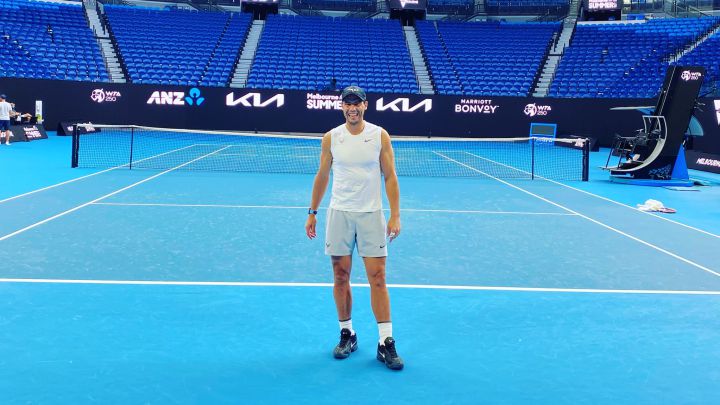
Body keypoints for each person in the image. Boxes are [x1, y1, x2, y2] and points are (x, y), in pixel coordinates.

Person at [305, 86, 404, 370]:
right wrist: (312, 212)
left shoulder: (379, 135)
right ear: (341, 107)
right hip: (340, 213)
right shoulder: (331, 138)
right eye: (347, 104)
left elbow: (390, 176)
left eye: (356, 103)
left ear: (365, 105)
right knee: (340, 275)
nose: (352, 108)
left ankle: (386, 341)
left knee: (378, 277)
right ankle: (347, 333)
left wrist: (395, 215)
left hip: (371, 214)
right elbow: (322, 175)